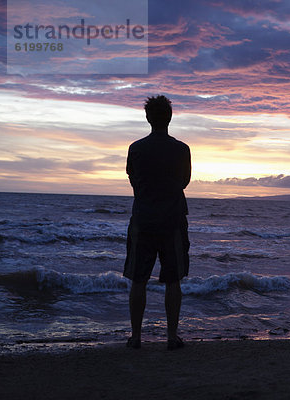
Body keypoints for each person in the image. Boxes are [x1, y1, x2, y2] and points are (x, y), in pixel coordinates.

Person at [123, 95, 191, 350]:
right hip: (172, 220)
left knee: (138, 279)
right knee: (173, 280)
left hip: (143, 219)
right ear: (169, 118)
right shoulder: (181, 149)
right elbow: (185, 180)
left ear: (148, 118)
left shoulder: (136, 148)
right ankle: (171, 336)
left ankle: (136, 336)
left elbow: (132, 177)